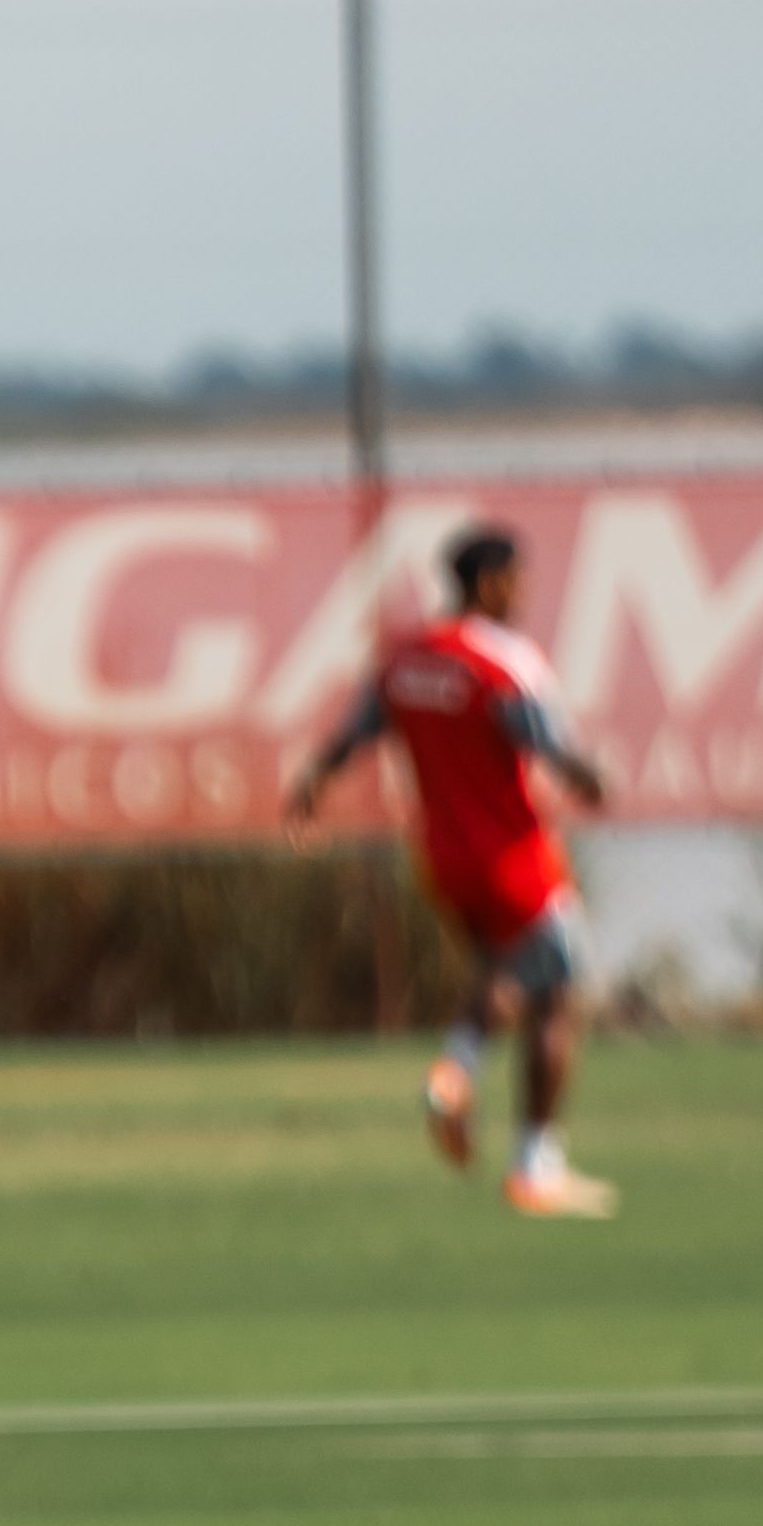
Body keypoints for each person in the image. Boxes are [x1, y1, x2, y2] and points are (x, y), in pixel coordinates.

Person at [288, 518, 622, 1218]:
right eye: (518, 579)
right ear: (491, 582)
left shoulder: (406, 658)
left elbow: (357, 730)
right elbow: (540, 737)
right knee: (559, 995)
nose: (525, 592)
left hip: (443, 854)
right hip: (512, 853)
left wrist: (316, 777)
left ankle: (454, 1077)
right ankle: (533, 1162)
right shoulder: (502, 661)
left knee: (506, 975)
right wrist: (587, 775)